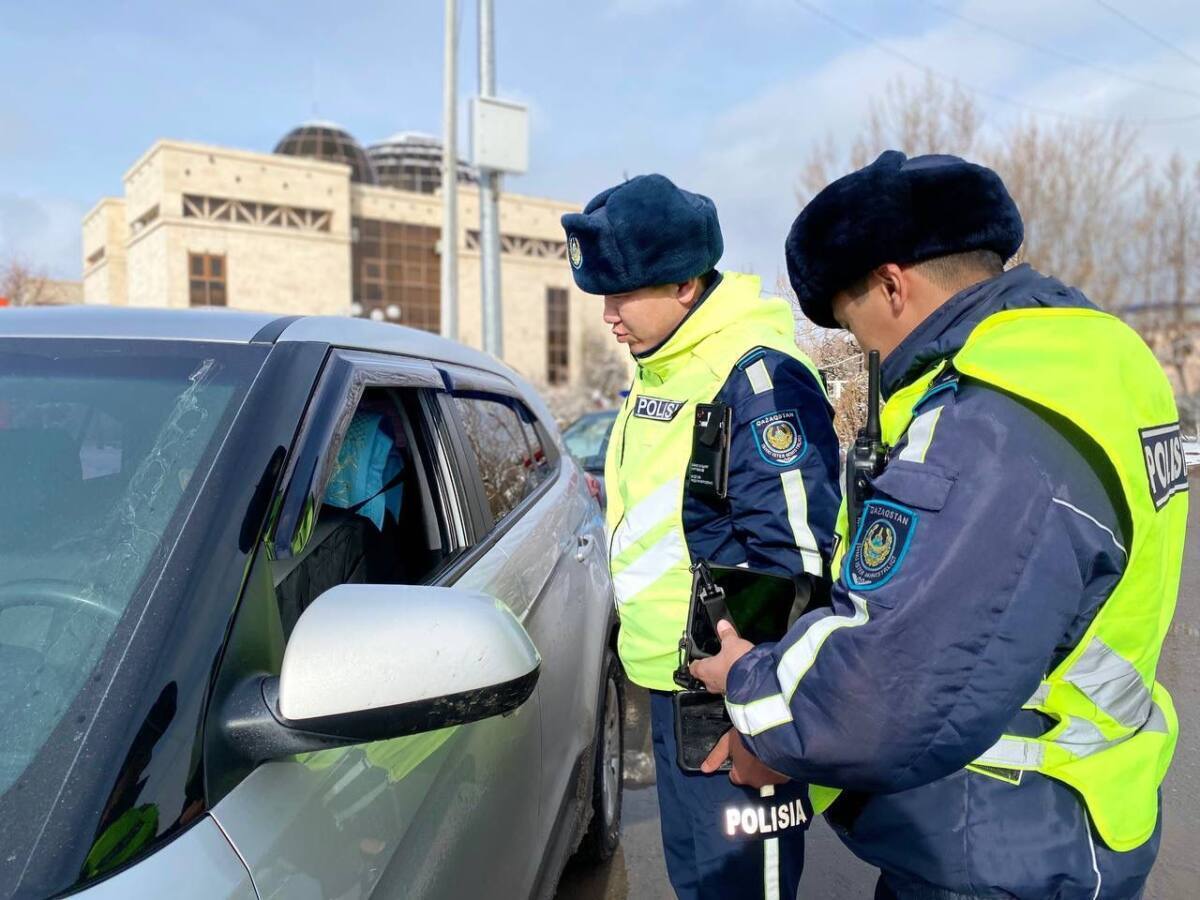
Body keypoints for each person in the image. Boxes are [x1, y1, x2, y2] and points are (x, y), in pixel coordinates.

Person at [691, 150, 1187, 900]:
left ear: (894, 283)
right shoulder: (1097, 361)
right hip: (1074, 812)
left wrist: (752, 695)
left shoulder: (992, 425)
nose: (870, 355)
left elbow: (883, 696)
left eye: (858, 328)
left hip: (1004, 842)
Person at [561, 173, 841, 899]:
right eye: (603, 295)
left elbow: (796, 562)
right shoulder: (663, 370)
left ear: (687, 283)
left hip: (732, 705)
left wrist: (765, 723)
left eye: (624, 294)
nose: (608, 317)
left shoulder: (754, 376)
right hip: (669, 690)